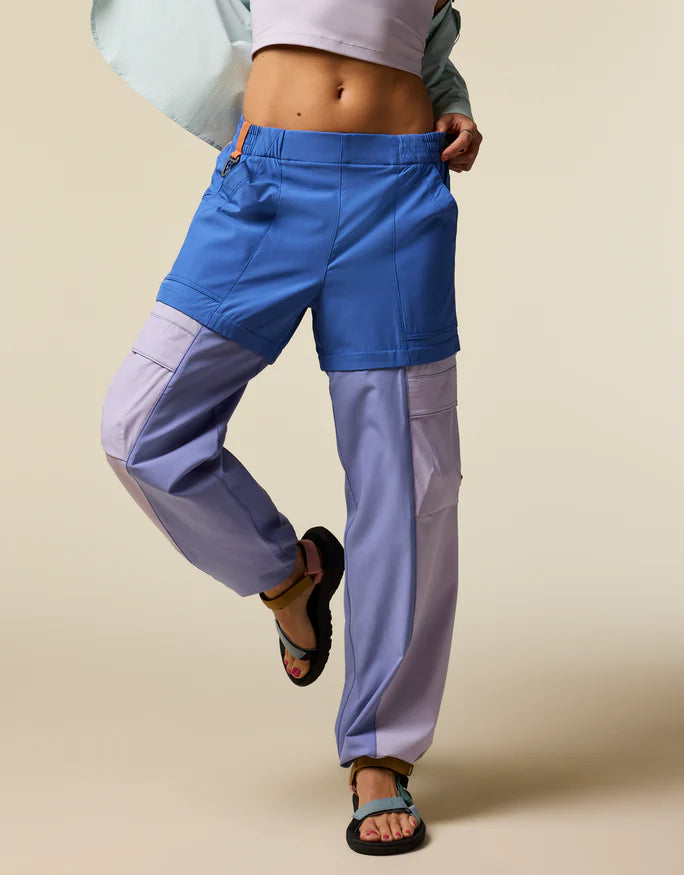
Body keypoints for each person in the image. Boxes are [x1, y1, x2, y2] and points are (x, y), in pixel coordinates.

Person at [94, 0, 483, 856]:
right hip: (266, 183)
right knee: (142, 427)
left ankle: (380, 750)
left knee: (408, 480)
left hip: (398, 190)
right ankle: (287, 577)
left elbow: (422, 32)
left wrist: (451, 99)